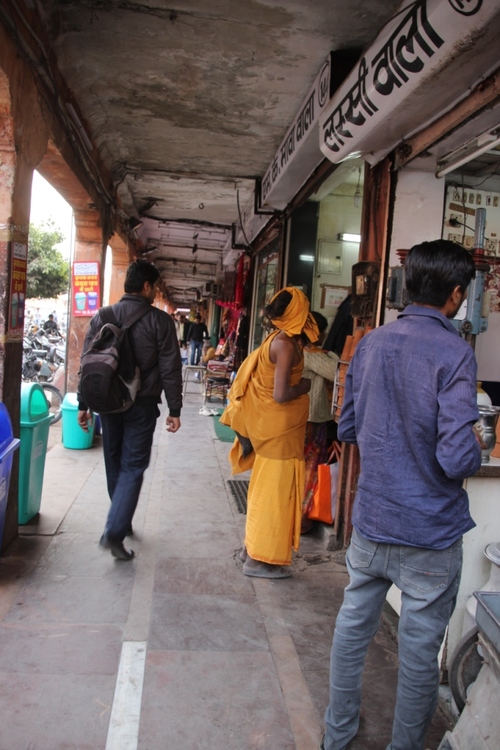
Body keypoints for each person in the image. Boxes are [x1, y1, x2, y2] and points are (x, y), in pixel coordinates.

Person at [321, 240, 484, 750]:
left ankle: (336, 733)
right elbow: (457, 458)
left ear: (408, 286)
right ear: (456, 295)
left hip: (371, 519)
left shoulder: (370, 344)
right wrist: (476, 442)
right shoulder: (455, 352)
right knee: (418, 652)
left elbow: (346, 427)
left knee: (353, 625)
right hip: (429, 534)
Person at [77, 260, 182, 561]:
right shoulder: (161, 322)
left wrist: (83, 403)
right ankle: (115, 529)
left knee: (113, 460)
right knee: (133, 465)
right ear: (147, 286)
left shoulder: (102, 315)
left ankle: (120, 519)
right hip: (142, 404)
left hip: (108, 403)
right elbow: (170, 368)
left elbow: (87, 361)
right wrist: (174, 408)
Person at [220, 287, 317, 579]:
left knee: (265, 495)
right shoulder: (285, 344)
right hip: (279, 435)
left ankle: (249, 550)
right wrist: (305, 387)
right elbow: (280, 394)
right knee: (274, 499)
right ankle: (259, 561)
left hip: (274, 433)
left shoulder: (275, 338)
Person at [301, 311, 338, 534]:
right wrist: (332, 353)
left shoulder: (299, 350)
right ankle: (303, 518)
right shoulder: (312, 354)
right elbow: (337, 372)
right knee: (310, 470)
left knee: (303, 468)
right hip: (312, 420)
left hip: (302, 419)